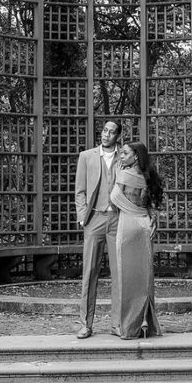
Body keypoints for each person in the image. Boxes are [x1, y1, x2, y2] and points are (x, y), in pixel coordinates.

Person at [109, 141, 164, 339]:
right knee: (145, 276)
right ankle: (146, 322)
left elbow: (114, 199)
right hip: (145, 225)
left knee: (127, 275)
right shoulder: (149, 177)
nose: (121, 156)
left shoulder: (124, 174)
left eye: (125, 153)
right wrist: (151, 216)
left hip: (128, 226)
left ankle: (128, 327)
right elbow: (151, 204)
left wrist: (117, 177)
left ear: (135, 157)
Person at [74, 119, 122, 339]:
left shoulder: (126, 156)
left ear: (117, 136)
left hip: (118, 220)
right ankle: (85, 324)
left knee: (119, 273)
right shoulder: (86, 156)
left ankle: (118, 324)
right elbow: (80, 190)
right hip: (94, 219)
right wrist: (83, 217)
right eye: (104, 130)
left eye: (111, 132)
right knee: (89, 273)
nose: (106, 135)